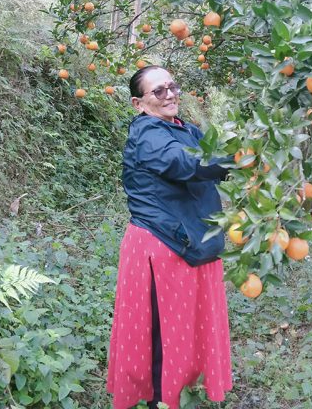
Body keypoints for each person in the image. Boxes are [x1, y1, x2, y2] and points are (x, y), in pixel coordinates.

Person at [106, 65, 233, 409]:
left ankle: (179, 395)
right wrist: (237, 159)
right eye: (158, 91)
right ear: (138, 103)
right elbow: (185, 164)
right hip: (162, 248)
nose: (170, 95)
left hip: (189, 244)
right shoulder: (147, 134)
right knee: (161, 338)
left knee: (184, 334)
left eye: (172, 87)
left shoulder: (184, 129)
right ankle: (161, 402)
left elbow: (209, 158)